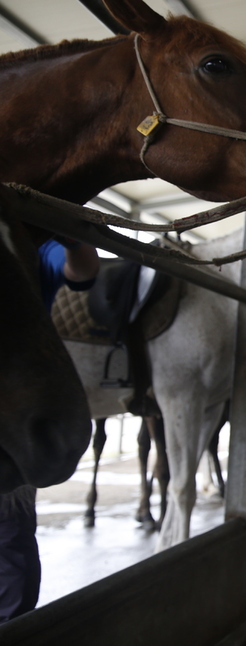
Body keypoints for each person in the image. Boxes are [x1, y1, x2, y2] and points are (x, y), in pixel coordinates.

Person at [0, 237, 99, 622]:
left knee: (9, 539)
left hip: (15, 403)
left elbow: (83, 270)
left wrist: (74, 232)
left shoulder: (35, 247)